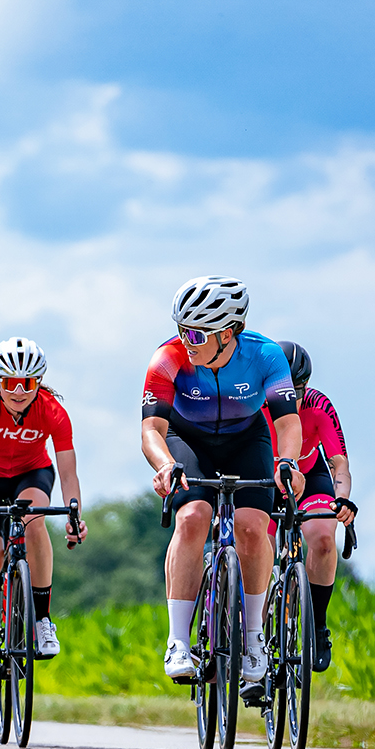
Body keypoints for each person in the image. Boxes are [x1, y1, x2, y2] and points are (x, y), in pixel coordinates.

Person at [139, 276, 301, 689]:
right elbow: (152, 429)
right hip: (187, 438)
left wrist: (287, 463)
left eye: (195, 333)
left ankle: (253, 639)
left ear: (227, 333)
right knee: (193, 516)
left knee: (252, 527)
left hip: (246, 439)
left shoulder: (265, 356)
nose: (186, 341)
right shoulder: (168, 358)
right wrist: (165, 465)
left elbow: (287, 423)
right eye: (181, 329)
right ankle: (178, 641)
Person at [0, 337, 88, 700]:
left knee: (35, 519)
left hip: (31, 474)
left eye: (27, 383)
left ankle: (42, 619)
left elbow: (68, 472)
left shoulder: (52, 411)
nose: (18, 391)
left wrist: (74, 512)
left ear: (38, 382)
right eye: (10, 382)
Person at [273, 341, 357, 672]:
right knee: (257, 543)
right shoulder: (251, 403)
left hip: (309, 475)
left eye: (296, 392)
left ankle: (318, 625)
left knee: (323, 538)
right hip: (264, 478)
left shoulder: (318, 405)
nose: (289, 400)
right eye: (280, 392)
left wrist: (342, 498)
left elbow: (339, 464)